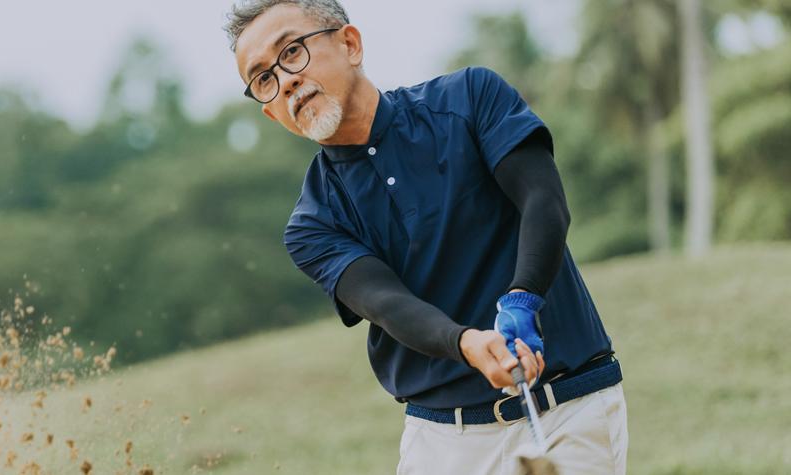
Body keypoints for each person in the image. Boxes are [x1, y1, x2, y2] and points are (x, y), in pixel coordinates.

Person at [223, 1, 628, 473]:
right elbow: (387, 304)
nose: (285, 80)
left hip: (569, 411)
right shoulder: (312, 223)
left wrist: (524, 298)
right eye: (264, 79)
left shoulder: (470, 97)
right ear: (272, 114)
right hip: (443, 442)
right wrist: (466, 344)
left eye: (291, 51)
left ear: (350, 44)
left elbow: (545, 202)